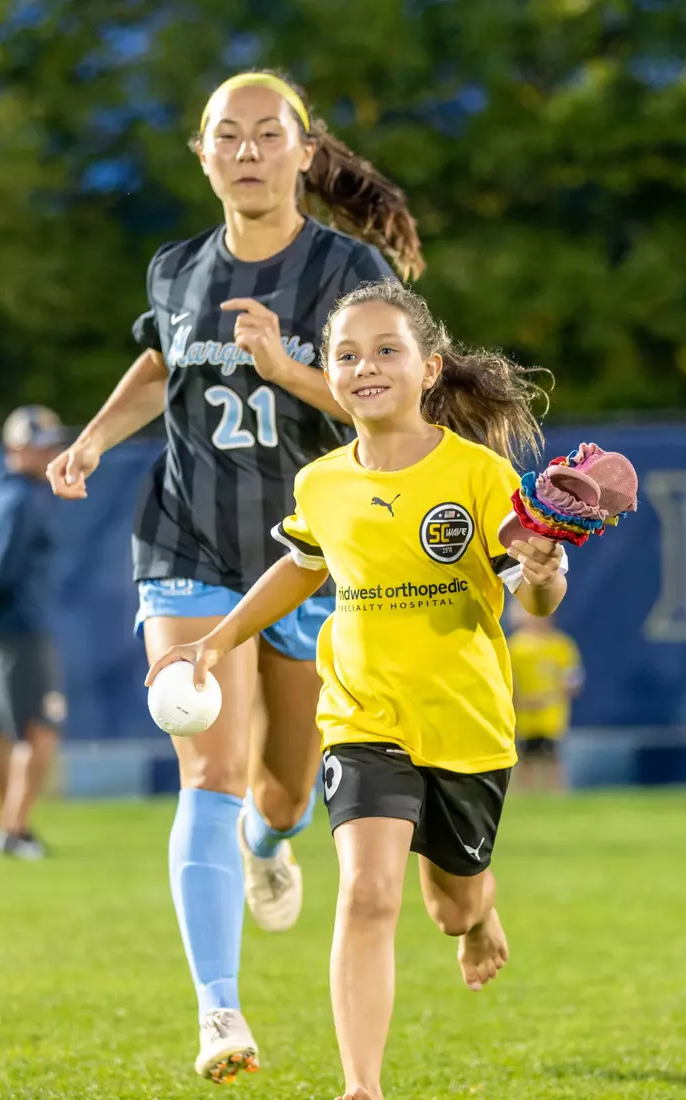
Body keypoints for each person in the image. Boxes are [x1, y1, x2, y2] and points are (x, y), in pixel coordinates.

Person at [46, 70, 424, 1083]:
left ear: (303, 153)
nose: (248, 150)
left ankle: (270, 841)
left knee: (284, 786)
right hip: (184, 545)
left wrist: (289, 367)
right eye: (229, 135)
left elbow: (384, 411)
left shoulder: (350, 273)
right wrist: (89, 440)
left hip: (309, 557)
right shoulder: (174, 268)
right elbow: (160, 364)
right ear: (203, 155)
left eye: (268, 134)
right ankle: (219, 1011)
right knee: (203, 762)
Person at [146, 279, 569, 1100]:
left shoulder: (479, 476)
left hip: (467, 726)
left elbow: (535, 590)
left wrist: (545, 572)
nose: (363, 366)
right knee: (368, 892)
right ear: (327, 374)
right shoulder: (323, 482)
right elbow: (301, 565)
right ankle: (361, 1087)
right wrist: (216, 638)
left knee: (447, 908)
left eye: (385, 350)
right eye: (345, 354)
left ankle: (479, 912)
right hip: (362, 718)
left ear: (428, 367)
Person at [0, 406, 67, 860]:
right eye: (41, 444)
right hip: (20, 629)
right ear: (16, 447)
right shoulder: (22, 500)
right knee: (39, 728)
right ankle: (16, 829)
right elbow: (2, 570)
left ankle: (3, 827)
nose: (51, 451)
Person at [507, 604, 584, 790]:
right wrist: (518, 701)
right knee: (525, 762)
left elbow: (573, 680)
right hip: (523, 719)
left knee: (552, 761)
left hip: (552, 718)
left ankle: (557, 799)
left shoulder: (562, 644)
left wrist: (551, 697)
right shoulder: (515, 646)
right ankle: (526, 800)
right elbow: (507, 680)